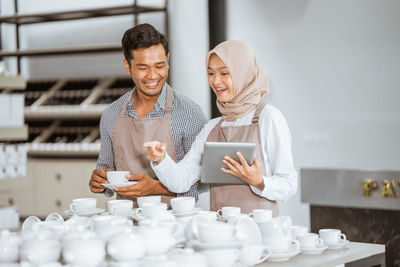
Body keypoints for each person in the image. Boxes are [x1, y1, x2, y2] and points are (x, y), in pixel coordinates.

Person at [145, 40, 297, 215]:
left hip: (259, 233)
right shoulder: (212, 127)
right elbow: (182, 181)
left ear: (243, 73)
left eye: (225, 73)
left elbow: (289, 184)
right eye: (210, 73)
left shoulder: (268, 117)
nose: (216, 81)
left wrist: (258, 181)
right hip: (219, 232)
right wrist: (160, 159)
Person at [89, 23, 207, 207]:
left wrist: (156, 188)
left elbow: (203, 182)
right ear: (127, 66)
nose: (153, 76)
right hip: (127, 222)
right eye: (143, 68)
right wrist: (100, 181)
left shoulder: (190, 114)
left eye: (159, 66)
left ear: (167, 60)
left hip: (175, 223)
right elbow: (106, 170)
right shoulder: (111, 115)